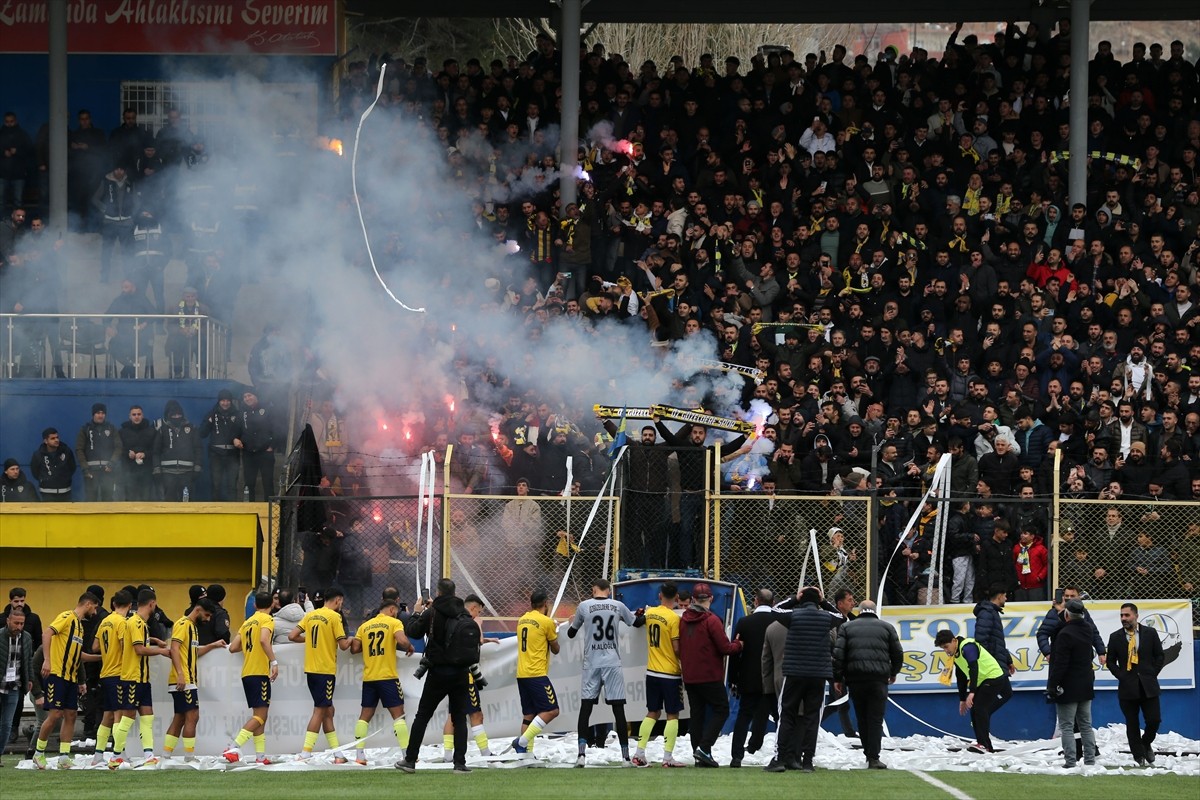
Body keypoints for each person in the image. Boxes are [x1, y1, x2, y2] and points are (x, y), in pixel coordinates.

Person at [395, 578, 475, 774]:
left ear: (438, 593)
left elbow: (413, 631)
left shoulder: (432, 612)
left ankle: (410, 760)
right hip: (461, 672)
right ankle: (460, 763)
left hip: (438, 671)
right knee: (459, 718)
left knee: (423, 715)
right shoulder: (463, 612)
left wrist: (416, 611)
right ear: (454, 593)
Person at [766, 586, 843, 773]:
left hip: (793, 673)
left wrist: (794, 598)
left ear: (802, 599)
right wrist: (823, 601)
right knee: (812, 718)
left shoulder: (793, 616)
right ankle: (807, 761)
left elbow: (775, 610)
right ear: (818, 601)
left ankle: (779, 759)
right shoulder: (826, 618)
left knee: (786, 715)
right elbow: (841, 616)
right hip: (818, 674)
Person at [567, 578, 638, 767]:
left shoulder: (584, 606)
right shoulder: (618, 605)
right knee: (618, 710)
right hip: (612, 662)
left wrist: (574, 623)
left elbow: (571, 633)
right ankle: (625, 758)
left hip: (592, 662)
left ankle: (581, 755)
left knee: (586, 708)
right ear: (609, 590)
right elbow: (637, 623)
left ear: (594, 589)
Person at [31, 591, 100, 769]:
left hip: (70, 678)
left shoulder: (79, 626)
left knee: (71, 714)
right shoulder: (66, 617)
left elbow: (79, 656)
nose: (95, 611)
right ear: (88, 604)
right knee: (55, 714)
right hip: (57, 676)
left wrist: (102, 658)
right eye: (95, 606)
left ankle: (63, 757)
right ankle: (38, 753)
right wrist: (47, 660)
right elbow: (47, 634)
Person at [832, 600, 903, 769]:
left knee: (862, 717)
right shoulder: (887, 627)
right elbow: (898, 653)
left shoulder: (847, 627)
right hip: (878, 679)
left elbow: (839, 655)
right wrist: (893, 672)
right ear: (874, 611)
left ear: (860, 610)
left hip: (855, 679)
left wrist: (837, 678)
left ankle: (867, 753)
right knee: (875, 718)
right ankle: (874, 757)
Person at [679, 581, 742, 767]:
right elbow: (725, 648)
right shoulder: (711, 620)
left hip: (690, 675)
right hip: (709, 674)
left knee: (697, 715)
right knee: (721, 709)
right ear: (711, 598)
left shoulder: (683, 619)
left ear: (692, 599)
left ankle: (698, 752)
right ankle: (704, 748)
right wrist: (739, 645)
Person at [288, 587, 352, 762]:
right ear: (338, 600)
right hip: (325, 670)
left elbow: (292, 636)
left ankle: (338, 754)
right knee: (320, 711)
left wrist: (308, 640)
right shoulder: (334, 617)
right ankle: (305, 753)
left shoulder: (310, 615)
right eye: (342, 601)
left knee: (328, 710)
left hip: (311, 669)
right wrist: (355, 639)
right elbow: (344, 645)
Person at [349, 598, 415, 765]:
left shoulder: (365, 626)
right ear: (392, 610)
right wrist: (409, 646)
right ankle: (407, 754)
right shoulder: (394, 623)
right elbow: (402, 641)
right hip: (387, 677)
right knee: (398, 715)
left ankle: (359, 755)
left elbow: (354, 649)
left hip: (370, 677)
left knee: (364, 716)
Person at [109, 588, 170, 768]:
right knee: (127, 717)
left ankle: (149, 755)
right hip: (132, 677)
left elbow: (140, 643)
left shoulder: (140, 623)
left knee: (147, 716)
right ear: (152, 604)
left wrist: (154, 641)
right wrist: (162, 651)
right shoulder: (135, 622)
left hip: (142, 678)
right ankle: (115, 756)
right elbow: (139, 649)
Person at [631, 581, 684, 767]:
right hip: (670, 673)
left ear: (660, 595)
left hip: (652, 672)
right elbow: (677, 647)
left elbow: (637, 622)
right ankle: (668, 758)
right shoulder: (674, 618)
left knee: (652, 712)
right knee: (672, 714)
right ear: (677, 598)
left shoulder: (651, 612)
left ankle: (639, 754)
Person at [162, 598, 223, 761]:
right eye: (207, 615)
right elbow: (173, 649)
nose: (208, 619)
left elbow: (192, 652)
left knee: (180, 717)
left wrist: (212, 645)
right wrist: (180, 673)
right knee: (192, 715)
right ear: (198, 610)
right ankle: (189, 756)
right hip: (184, 679)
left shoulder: (192, 628)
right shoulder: (183, 624)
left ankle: (166, 754)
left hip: (186, 678)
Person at [934, 628, 1013, 753]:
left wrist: (972, 692)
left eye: (946, 646)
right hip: (984, 680)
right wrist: (962, 699)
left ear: (954, 641)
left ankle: (984, 744)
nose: (946, 651)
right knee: (977, 710)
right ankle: (984, 743)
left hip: (993, 677)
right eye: (943, 648)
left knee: (980, 709)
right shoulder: (955, 654)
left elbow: (973, 668)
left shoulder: (968, 646)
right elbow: (961, 677)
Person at [1105, 602, 1165, 766]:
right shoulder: (1115, 636)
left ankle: (1145, 744)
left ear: (1136, 616)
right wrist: (1121, 676)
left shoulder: (1150, 633)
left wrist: (1152, 673)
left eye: (1127, 615)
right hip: (1127, 687)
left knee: (1154, 720)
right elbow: (1110, 661)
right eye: (1121, 615)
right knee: (1132, 723)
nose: (1124, 618)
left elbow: (1159, 656)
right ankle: (1138, 755)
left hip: (1148, 685)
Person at [223, 591, 278, 764]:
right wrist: (274, 661)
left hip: (247, 673)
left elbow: (233, 648)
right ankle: (234, 746)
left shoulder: (247, 622)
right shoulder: (267, 619)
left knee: (260, 715)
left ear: (254, 605)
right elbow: (263, 640)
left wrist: (250, 647)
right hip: (259, 672)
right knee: (261, 715)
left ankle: (260, 756)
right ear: (272, 604)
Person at [440, 593, 495, 761]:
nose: (479, 616)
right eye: (478, 611)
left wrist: (486, 640)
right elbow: (473, 640)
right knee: (475, 715)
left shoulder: (453, 620)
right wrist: (478, 626)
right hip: (467, 674)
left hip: (451, 673)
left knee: (453, 715)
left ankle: (448, 754)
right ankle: (485, 753)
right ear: (473, 608)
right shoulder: (470, 622)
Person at [728, 588, 775, 767]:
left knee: (744, 715)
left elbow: (736, 651)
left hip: (749, 676)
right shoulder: (778, 621)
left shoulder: (745, 622)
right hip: (771, 677)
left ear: (755, 601)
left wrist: (733, 677)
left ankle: (737, 755)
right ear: (773, 602)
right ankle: (763, 746)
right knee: (769, 713)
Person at [1047, 599, 1097, 768]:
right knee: (1086, 725)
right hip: (1086, 682)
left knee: (1066, 726)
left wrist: (1052, 685)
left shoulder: (1065, 634)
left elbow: (1060, 663)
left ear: (1066, 614)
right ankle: (1090, 759)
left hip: (1068, 684)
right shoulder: (1087, 629)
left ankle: (1070, 760)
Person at [511, 590, 561, 758]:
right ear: (545, 603)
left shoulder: (522, 620)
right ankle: (522, 742)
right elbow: (556, 649)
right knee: (552, 710)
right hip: (536, 674)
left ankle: (526, 754)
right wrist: (556, 631)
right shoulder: (546, 622)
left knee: (529, 715)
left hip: (522, 673)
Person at [89, 590, 131, 765]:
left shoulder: (105, 621)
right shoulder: (122, 622)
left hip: (105, 673)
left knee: (107, 715)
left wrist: (109, 652)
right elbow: (124, 646)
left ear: (114, 604)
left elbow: (95, 646)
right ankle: (118, 753)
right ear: (130, 605)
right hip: (118, 673)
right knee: (118, 714)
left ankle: (98, 755)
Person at [0, 605, 34, 768]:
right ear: (8, 621)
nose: (19, 627)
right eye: (16, 623)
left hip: (14, 686)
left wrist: (30, 679)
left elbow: (28, 661)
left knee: (7, 724)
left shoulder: (26, 637)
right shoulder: (0, 636)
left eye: (21, 624)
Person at [199, 388, 244, 501]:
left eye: (228, 400)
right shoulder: (211, 415)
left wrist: (238, 440)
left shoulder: (238, 415)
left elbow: (244, 432)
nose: (225, 403)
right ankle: (216, 511)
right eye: (223, 400)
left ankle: (232, 512)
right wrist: (209, 422)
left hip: (232, 454)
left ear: (231, 401)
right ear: (219, 401)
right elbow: (202, 434)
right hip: (216, 455)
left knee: (232, 485)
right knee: (216, 484)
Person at [76, 403, 117, 501]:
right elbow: (79, 449)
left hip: (108, 471)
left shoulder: (111, 429)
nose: (101, 415)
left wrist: (112, 463)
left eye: (103, 413)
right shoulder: (85, 429)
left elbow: (118, 447)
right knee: (91, 500)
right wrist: (85, 469)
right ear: (93, 414)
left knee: (108, 499)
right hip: (91, 472)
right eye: (98, 413)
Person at [116, 405, 156, 501]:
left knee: (146, 500)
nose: (136, 416)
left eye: (139, 414)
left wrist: (145, 454)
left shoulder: (151, 431)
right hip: (128, 472)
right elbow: (118, 449)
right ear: (129, 416)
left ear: (143, 416)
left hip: (146, 473)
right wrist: (127, 454)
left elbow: (156, 449)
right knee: (130, 500)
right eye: (134, 414)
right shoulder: (122, 432)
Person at [973, 585, 1015, 676]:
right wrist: (988, 662)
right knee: (1003, 689)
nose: (1006, 598)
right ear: (999, 596)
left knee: (1005, 689)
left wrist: (1008, 660)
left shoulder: (992, 612)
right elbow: (981, 640)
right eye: (1005, 595)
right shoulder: (987, 613)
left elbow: (998, 641)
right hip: (993, 664)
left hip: (997, 662)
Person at [29, 427, 76, 502]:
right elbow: (35, 472)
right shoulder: (38, 455)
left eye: (57, 437)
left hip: (65, 493)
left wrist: (65, 478)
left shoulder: (66, 451)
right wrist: (45, 480)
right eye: (52, 438)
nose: (56, 440)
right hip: (47, 494)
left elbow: (72, 467)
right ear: (45, 441)